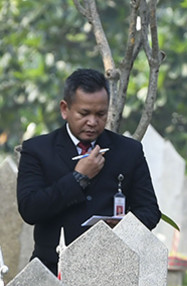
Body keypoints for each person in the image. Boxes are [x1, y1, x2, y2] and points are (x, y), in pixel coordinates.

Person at [17, 68, 161, 274]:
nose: (93, 122)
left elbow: (149, 211)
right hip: (52, 268)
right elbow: (30, 209)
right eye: (84, 114)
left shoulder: (128, 151)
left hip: (110, 268)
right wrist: (78, 178)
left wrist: (122, 227)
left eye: (100, 114)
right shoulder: (37, 150)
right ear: (65, 109)